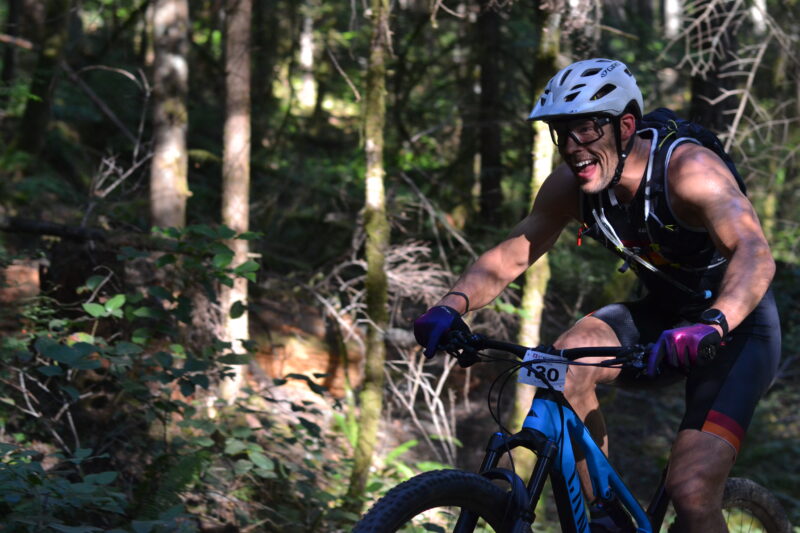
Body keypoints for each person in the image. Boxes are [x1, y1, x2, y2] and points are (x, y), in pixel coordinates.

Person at [413, 58, 781, 532]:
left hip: (737, 329)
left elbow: (754, 253)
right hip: (665, 316)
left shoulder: (689, 170)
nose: (572, 147)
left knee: (691, 490)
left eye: (586, 130)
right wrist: (450, 305)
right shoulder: (574, 185)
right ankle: (607, 516)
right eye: (561, 132)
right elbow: (513, 253)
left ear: (625, 126)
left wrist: (714, 321)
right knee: (564, 360)